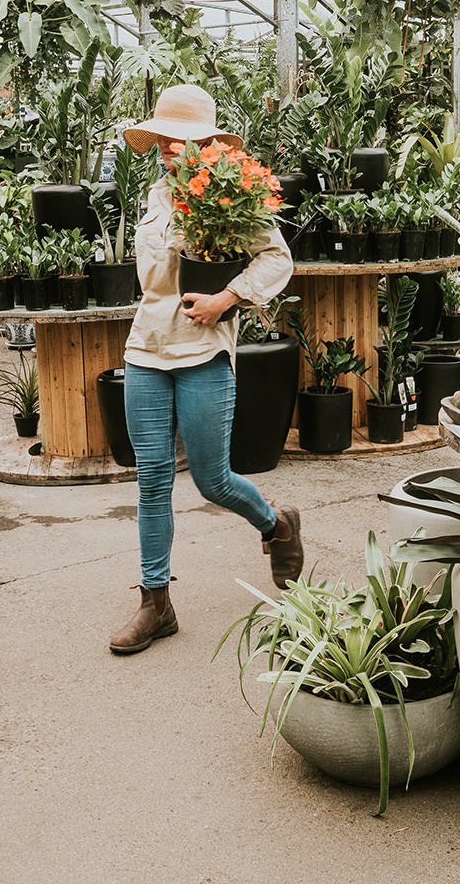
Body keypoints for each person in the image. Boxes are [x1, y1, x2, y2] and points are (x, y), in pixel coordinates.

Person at [109, 83, 304, 655]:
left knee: (213, 480)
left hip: (203, 352)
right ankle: (156, 603)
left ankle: (276, 524)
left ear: (206, 143)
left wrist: (226, 298)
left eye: (181, 139)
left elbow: (277, 258)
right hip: (146, 348)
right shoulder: (155, 194)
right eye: (164, 138)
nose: (169, 148)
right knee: (151, 480)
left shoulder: (228, 193)